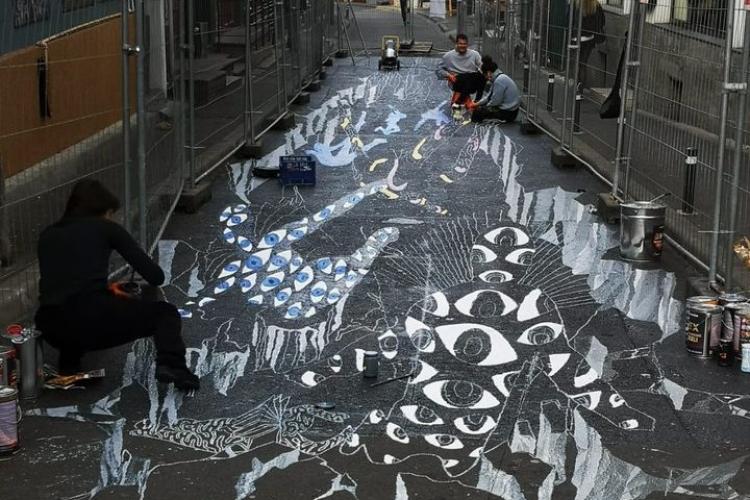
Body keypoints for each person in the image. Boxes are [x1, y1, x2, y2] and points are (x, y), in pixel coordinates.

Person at [34, 179, 200, 391]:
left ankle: (69, 367)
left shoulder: (48, 234)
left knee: (73, 309)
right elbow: (155, 276)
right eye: (110, 213)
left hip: (50, 325)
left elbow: (67, 282)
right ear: (104, 210)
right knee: (165, 313)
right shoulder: (106, 228)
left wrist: (105, 290)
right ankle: (172, 365)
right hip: (91, 318)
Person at [436, 34, 485, 108]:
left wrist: (483, 72)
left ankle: (476, 100)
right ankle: (460, 102)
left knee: (479, 77)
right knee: (465, 79)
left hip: (471, 80)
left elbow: (482, 67)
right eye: (460, 43)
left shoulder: (475, 54)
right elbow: (438, 70)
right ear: (456, 44)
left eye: (464, 44)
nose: (462, 46)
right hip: (457, 80)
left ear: (467, 44)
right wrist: (448, 75)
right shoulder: (448, 56)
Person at [573, 0, 605, 90]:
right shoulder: (596, 5)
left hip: (577, 38)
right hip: (589, 38)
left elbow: (569, 18)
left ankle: (577, 83)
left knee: (577, 62)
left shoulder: (577, 4)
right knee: (583, 63)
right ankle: (581, 86)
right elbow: (602, 20)